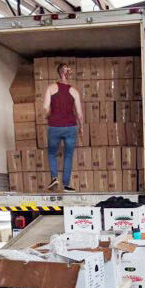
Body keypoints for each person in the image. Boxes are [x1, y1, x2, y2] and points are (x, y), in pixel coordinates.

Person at [43, 62, 84, 192]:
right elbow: (80, 114)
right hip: (71, 127)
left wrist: (49, 116)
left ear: (59, 73)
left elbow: (45, 108)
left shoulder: (51, 88)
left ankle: (54, 178)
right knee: (68, 155)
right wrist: (81, 127)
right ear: (66, 73)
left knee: (52, 153)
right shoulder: (74, 91)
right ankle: (66, 184)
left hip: (54, 126)